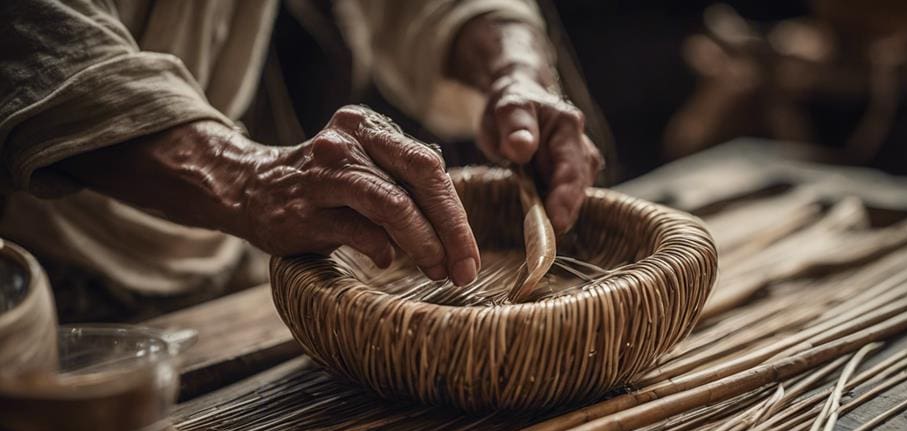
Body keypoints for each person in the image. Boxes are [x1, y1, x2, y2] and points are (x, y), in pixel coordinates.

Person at [0, 0, 602, 319]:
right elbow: (36, 43)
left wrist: (513, 66)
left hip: (216, 263)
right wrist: (247, 177)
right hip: (33, 275)